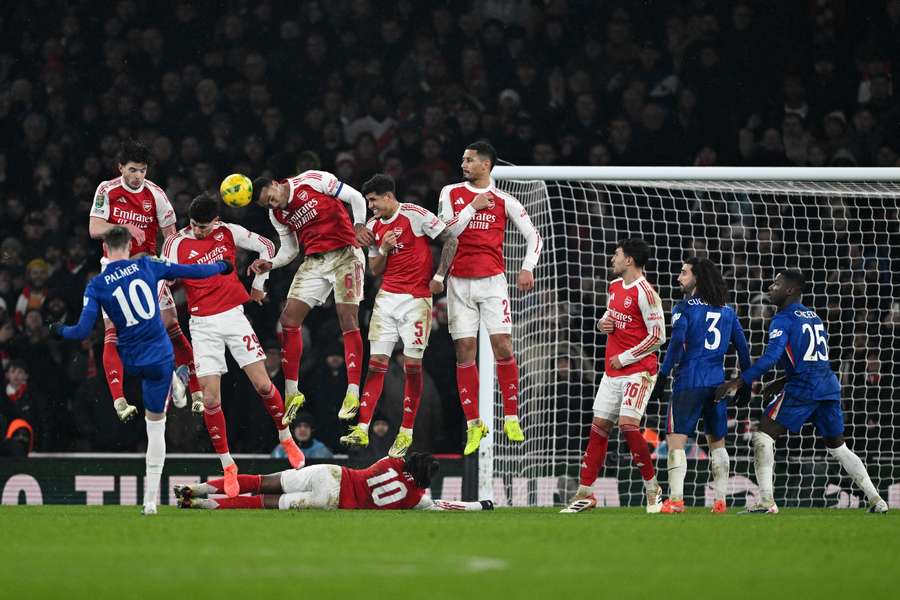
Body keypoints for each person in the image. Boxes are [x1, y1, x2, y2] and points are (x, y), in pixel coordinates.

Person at [48, 226, 231, 514]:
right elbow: (190, 271)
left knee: (115, 346)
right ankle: (150, 501)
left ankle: (166, 388)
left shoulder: (96, 285)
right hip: (159, 358)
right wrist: (221, 266)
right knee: (156, 429)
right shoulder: (146, 265)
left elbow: (81, 330)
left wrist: (58, 330)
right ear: (129, 245)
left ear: (106, 249)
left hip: (130, 362)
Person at [162, 196, 305, 495]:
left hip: (234, 317)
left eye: (204, 227)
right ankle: (228, 465)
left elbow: (267, 247)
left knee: (264, 385)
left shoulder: (229, 231)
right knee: (211, 400)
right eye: (194, 225)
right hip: (202, 325)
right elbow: (163, 280)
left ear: (216, 221)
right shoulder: (175, 243)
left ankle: (286, 437)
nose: (198, 231)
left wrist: (258, 285)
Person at [714, 271, 888, 514]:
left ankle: (766, 501)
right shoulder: (813, 317)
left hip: (804, 387)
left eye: (776, 284)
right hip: (827, 385)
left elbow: (771, 357)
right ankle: (876, 500)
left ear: (790, 290)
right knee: (838, 447)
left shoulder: (782, 319)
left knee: (763, 436)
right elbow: (811, 358)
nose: (770, 287)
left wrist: (738, 382)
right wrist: (781, 380)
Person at [339, 174, 458, 457]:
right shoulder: (373, 226)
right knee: (376, 364)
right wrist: (383, 249)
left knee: (412, 367)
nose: (370, 206)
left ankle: (406, 431)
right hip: (387, 299)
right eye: (368, 201)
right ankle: (362, 427)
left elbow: (451, 239)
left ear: (388, 196)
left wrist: (439, 276)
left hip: (417, 301)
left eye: (373, 200)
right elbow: (375, 270)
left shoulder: (415, 215)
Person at [437, 141, 543, 454]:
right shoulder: (450, 193)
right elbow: (446, 233)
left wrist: (527, 268)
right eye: (463, 160)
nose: (463, 165)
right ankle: (474, 424)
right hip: (459, 282)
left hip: (493, 283)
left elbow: (534, 236)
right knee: (464, 351)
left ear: (486, 165)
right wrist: (472, 207)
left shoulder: (505, 200)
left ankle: (511, 417)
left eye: (469, 160)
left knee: (503, 345)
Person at [249, 169, 372, 423]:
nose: (272, 205)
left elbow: (356, 197)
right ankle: (293, 393)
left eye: (271, 198)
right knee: (288, 320)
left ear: (276, 183)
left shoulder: (312, 180)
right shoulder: (277, 214)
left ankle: (352, 392)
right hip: (315, 262)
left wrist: (359, 224)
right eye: (267, 205)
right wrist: (271, 264)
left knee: (347, 319)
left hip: (346, 254)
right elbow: (291, 250)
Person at [89, 139, 201, 414]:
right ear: (120, 168)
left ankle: (195, 390)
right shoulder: (107, 190)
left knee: (170, 322)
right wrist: (124, 226)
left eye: (142, 170)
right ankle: (120, 400)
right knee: (115, 331)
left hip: (147, 268)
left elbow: (171, 234)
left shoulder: (156, 195)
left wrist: (170, 264)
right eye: (132, 170)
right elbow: (94, 228)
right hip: (114, 267)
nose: (138, 176)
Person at [562, 239, 666, 514]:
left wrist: (625, 357)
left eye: (617, 254)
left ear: (629, 260)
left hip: (639, 371)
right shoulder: (614, 286)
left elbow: (658, 337)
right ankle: (585, 493)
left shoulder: (647, 293)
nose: (612, 259)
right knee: (598, 428)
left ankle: (653, 488)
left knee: (628, 425)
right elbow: (609, 318)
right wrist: (602, 324)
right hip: (612, 372)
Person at [651, 257, 751, 514]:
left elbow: (677, 342)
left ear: (697, 277)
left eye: (684, 273)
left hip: (689, 380)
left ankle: (676, 500)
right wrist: (746, 382)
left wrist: (662, 375)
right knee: (717, 442)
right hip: (717, 383)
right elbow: (743, 348)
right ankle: (720, 501)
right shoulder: (727, 311)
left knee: (676, 440)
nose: (678, 277)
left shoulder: (684, 307)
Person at [175, 452, 494, 512]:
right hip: (332, 501)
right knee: (263, 503)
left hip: (332, 474)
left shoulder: (392, 462)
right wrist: (480, 505)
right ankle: (200, 504)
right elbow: (445, 505)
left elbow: (399, 455)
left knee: (262, 482)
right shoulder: (416, 500)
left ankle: (199, 488)